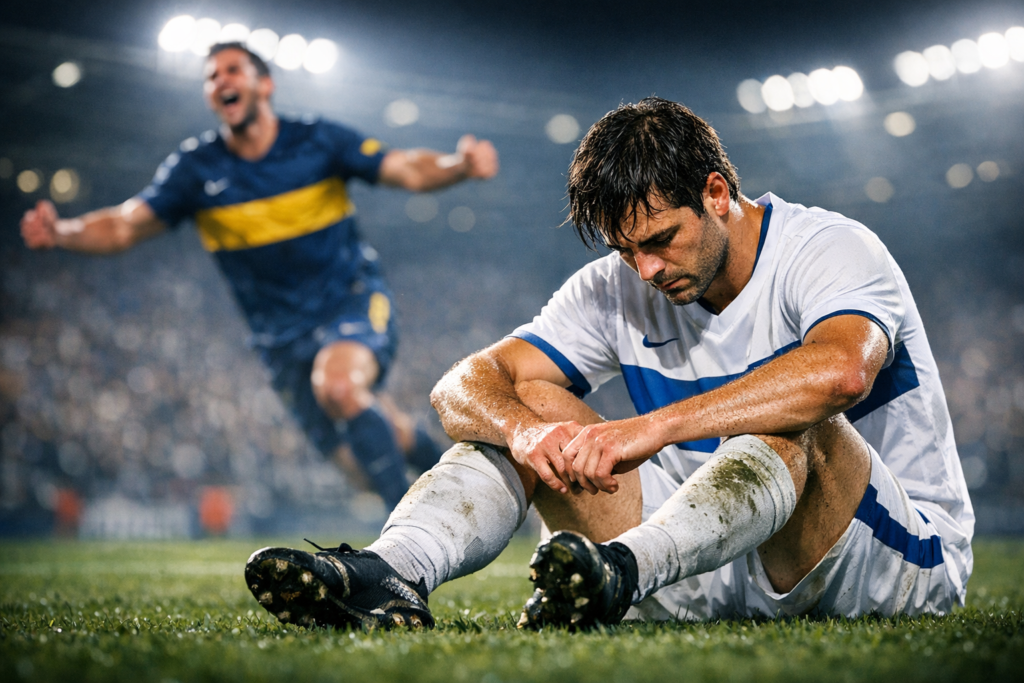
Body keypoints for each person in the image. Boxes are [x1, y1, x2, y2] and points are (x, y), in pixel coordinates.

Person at [242, 97, 972, 631]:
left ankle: (622, 570)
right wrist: (525, 435)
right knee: (528, 400)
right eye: (627, 249)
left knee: (792, 415)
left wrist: (649, 428)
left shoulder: (829, 248)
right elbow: (461, 385)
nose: (646, 268)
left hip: (887, 558)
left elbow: (842, 374)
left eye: (661, 238)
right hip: (707, 560)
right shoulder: (618, 284)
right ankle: (395, 569)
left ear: (718, 192)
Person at [20, 42, 499, 511]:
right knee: (357, 460)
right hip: (278, 337)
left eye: (231, 70)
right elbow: (126, 224)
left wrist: (458, 166)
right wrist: (63, 230)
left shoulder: (317, 140)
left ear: (264, 84)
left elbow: (407, 169)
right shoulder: (196, 169)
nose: (220, 81)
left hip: (348, 300)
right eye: (211, 76)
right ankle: (459, 486)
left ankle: (409, 542)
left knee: (339, 388)